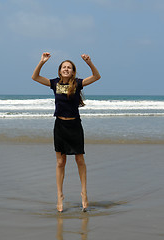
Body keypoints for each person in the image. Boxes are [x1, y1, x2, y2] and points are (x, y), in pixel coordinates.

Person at [31, 52, 101, 212]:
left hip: (75, 126)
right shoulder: (54, 83)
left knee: (80, 160)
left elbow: (97, 76)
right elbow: (35, 77)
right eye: (64, 67)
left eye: (69, 68)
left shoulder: (78, 83)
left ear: (73, 71)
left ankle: (84, 193)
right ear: (60, 70)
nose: (66, 69)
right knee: (60, 162)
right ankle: (60, 196)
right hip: (60, 126)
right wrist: (41, 62)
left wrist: (89, 62)